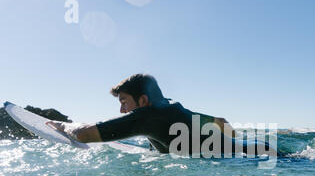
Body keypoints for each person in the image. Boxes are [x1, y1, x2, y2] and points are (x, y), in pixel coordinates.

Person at [48, 74, 277, 157]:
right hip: (258, 149)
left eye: (124, 102)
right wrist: (232, 144)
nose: (122, 110)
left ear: (143, 101)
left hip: (251, 158)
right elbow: (221, 122)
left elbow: (84, 135)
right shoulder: (173, 109)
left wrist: (64, 125)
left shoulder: (147, 116)